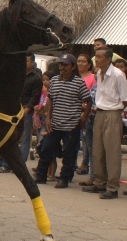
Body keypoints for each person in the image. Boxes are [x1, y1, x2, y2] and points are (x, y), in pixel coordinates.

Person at [34, 54, 91, 189]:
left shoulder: (78, 82)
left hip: (71, 124)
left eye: (65, 65)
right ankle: (41, 175)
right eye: (61, 65)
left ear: (72, 67)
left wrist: (83, 118)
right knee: (46, 148)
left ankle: (65, 177)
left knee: (69, 153)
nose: (62, 67)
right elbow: (51, 99)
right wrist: (48, 117)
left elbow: (88, 101)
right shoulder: (54, 81)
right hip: (55, 122)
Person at [83, 48, 127, 199]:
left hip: (113, 114)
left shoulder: (117, 75)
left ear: (108, 59)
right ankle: (99, 182)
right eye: (96, 56)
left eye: (100, 57)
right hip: (100, 112)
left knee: (112, 152)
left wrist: (116, 111)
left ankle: (112, 187)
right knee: (97, 150)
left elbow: (126, 98)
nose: (96, 59)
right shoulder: (98, 73)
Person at [0, 53, 42, 174]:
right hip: (11, 109)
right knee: (6, 136)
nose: (24, 63)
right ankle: (2, 162)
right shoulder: (17, 75)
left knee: (23, 138)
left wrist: (25, 111)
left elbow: (34, 98)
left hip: (25, 111)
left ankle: (18, 166)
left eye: (27, 61)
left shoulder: (36, 78)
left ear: (32, 63)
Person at [76, 52, 96, 177]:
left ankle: (85, 163)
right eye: (79, 61)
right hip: (73, 111)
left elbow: (93, 96)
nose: (80, 63)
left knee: (87, 140)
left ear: (89, 64)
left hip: (87, 111)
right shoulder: (74, 76)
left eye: (83, 61)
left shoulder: (93, 78)